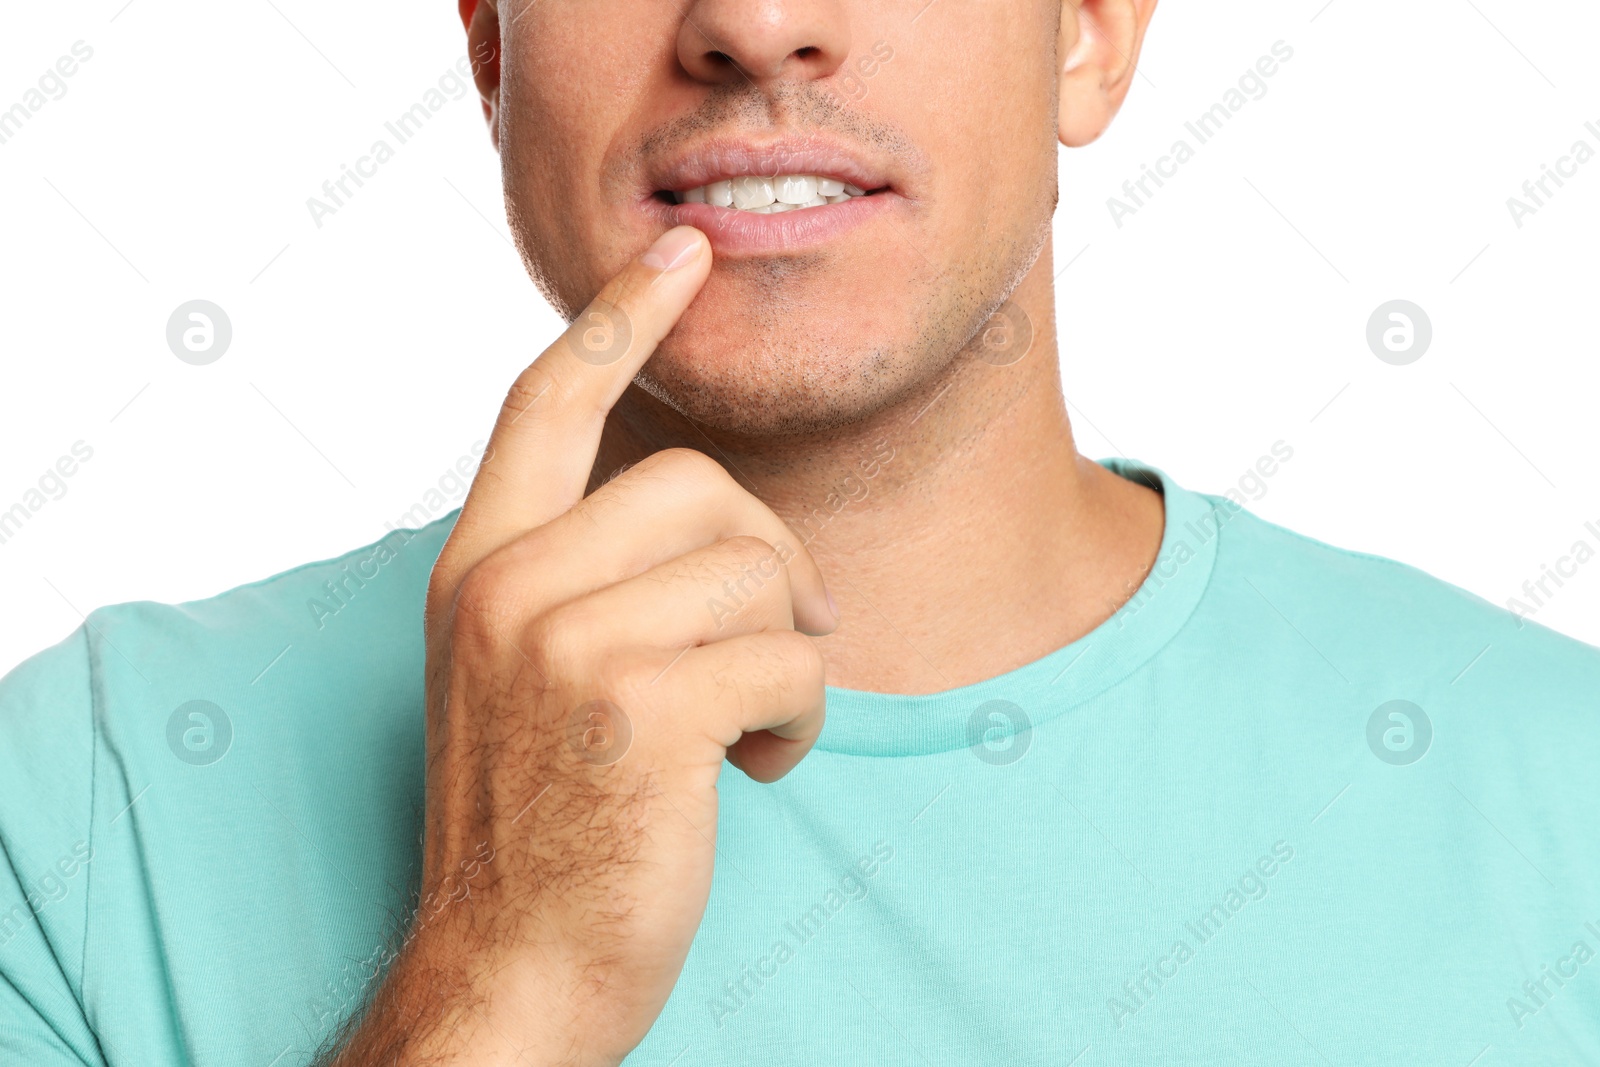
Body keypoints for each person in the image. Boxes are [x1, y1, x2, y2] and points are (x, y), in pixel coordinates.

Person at [3, 0, 1598, 1063]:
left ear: (1092, 32)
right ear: (491, 40)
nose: (757, 21)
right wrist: (495, 986)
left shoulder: (1563, 799)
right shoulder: (78, 810)